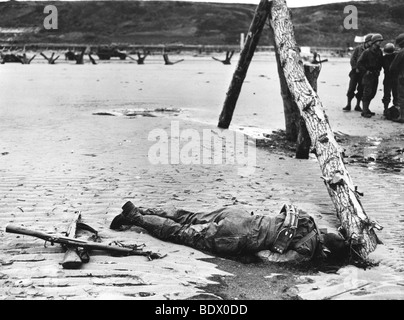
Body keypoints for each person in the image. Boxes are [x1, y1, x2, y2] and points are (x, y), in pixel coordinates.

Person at [110, 201, 349, 263]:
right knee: (183, 233)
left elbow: (284, 213)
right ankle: (136, 216)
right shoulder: (307, 249)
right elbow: (270, 260)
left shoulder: (307, 218)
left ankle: (144, 209)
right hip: (239, 235)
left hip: (240, 214)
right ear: (325, 249)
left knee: (189, 216)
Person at [343, 34, 373, 112]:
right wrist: (355, 68)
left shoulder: (371, 50)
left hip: (363, 73)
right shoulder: (358, 49)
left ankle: (357, 105)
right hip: (355, 72)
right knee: (351, 88)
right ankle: (348, 104)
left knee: (361, 89)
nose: (372, 43)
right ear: (367, 41)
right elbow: (352, 59)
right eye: (371, 41)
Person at [357, 33, 384, 118]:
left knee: (373, 93)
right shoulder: (367, 52)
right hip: (368, 75)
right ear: (374, 42)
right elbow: (359, 63)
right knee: (367, 92)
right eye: (378, 41)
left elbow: (380, 62)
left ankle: (366, 109)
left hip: (375, 74)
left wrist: (379, 69)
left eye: (380, 41)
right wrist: (366, 71)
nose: (380, 43)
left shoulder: (379, 51)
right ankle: (364, 111)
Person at [390, 33, 404, 123]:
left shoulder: (402, 52)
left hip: (403, 77)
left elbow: (392, 67)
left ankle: (402, 117)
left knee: (402, 97)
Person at [382, 43, 398, 116]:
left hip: (394, 78)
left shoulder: (396, 57)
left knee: (395, 94)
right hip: (389, 78)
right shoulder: (384, 58)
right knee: (387, 94)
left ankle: (396, 108)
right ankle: (386, 108)